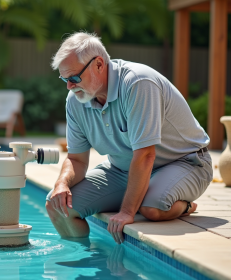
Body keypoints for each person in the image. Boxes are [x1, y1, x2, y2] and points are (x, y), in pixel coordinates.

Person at [46, 32, 213, 244]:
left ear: (99, 64)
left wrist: (126, 211)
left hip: (185, 163)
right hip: (123, 170)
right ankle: (81, 261)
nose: (69, 86)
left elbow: (145, 155)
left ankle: (184, 205)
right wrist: (62, 184)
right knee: (58, 206)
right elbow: (77, 159)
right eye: (65, 79)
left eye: (74, 78)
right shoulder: (75, 101)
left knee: (151, 209)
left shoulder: (137, 83)